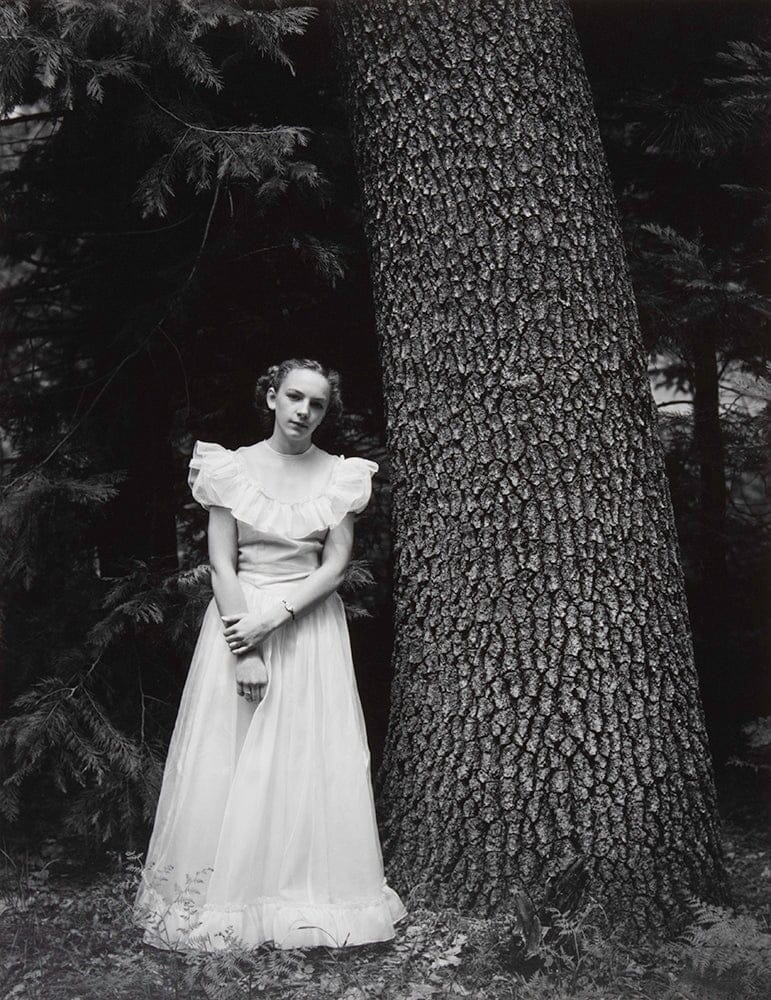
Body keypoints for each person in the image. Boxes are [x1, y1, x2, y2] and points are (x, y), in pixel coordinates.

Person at [134, 358, 406, 951]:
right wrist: (246, 646)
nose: (304, 411)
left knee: (307, 760)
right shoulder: (229, 469)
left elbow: (334, 566)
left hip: (307, 626)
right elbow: (223, 563)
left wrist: (275, 619)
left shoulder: (341, 476)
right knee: (229, 759)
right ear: (271, 398)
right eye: (294, 397)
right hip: (238, 622)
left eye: (317, 404)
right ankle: (224, 901)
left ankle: (301, 902)